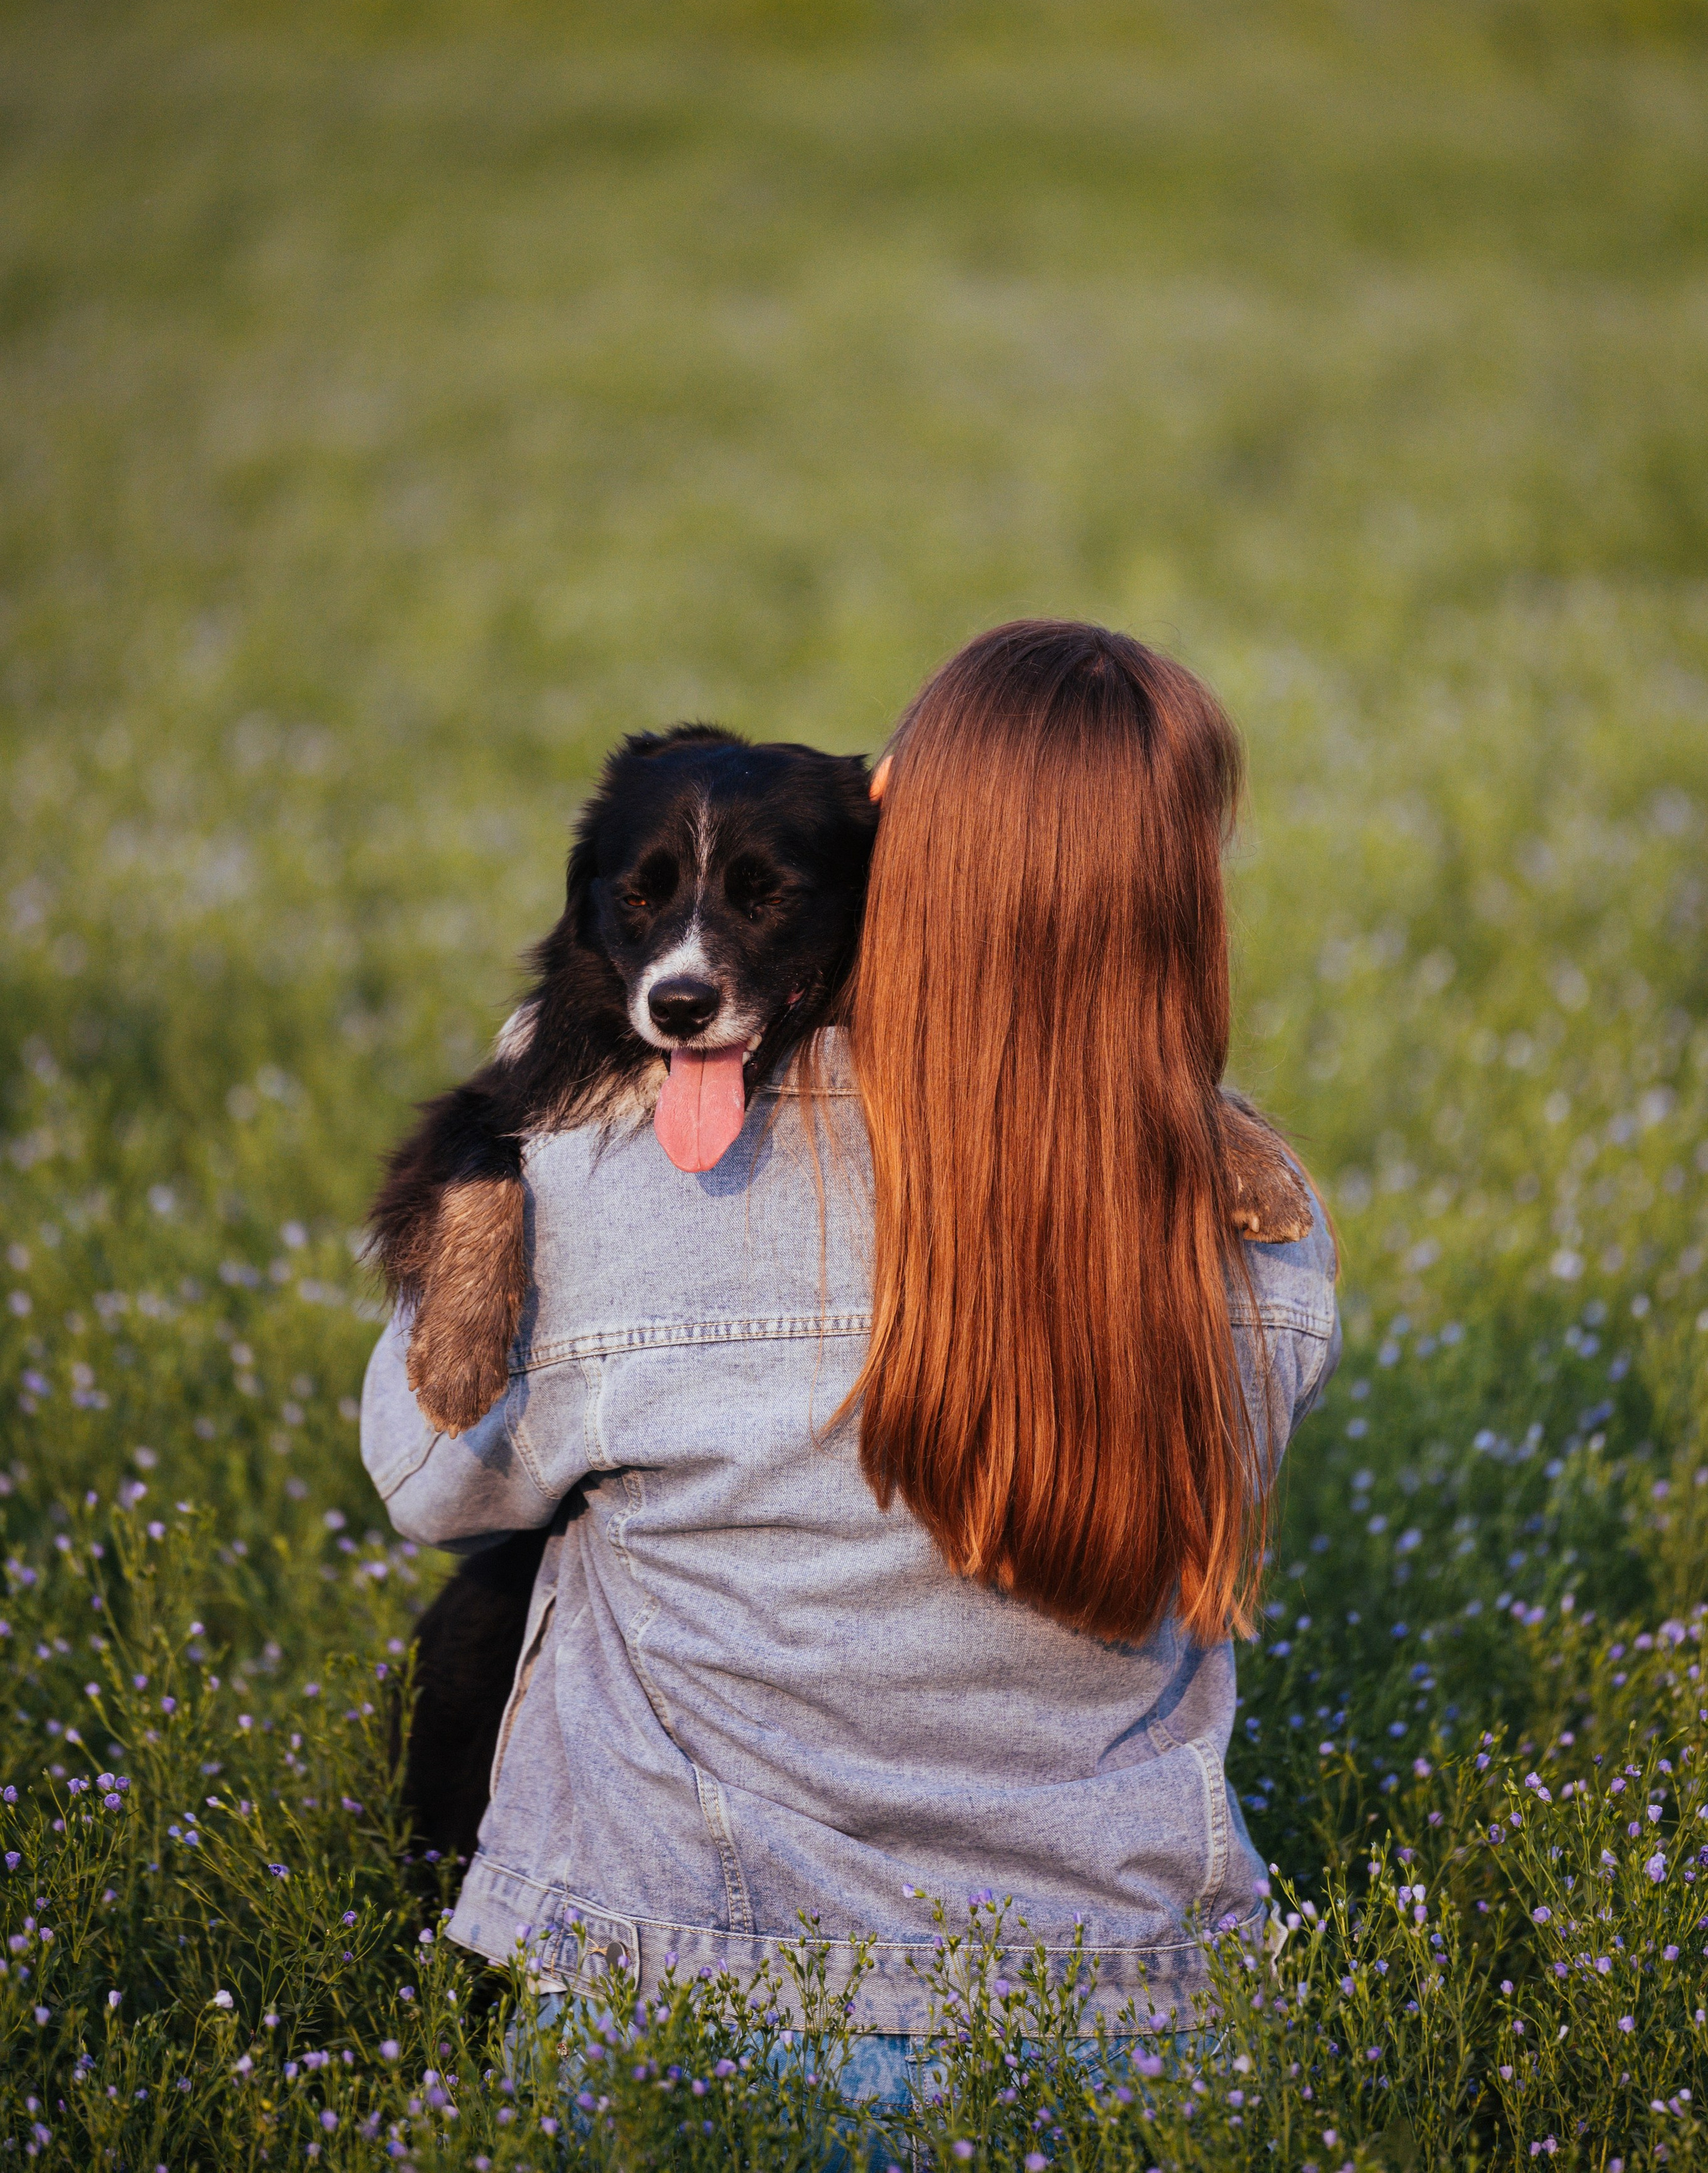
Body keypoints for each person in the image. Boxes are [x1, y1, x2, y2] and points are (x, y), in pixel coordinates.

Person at [360, 619, 1339, 2075]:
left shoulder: (597, 1181)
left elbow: (432, 1488)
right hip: (1129, 2031)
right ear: (1186, 904)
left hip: (678, 2017)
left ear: (904, 861)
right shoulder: (1259, 1225)